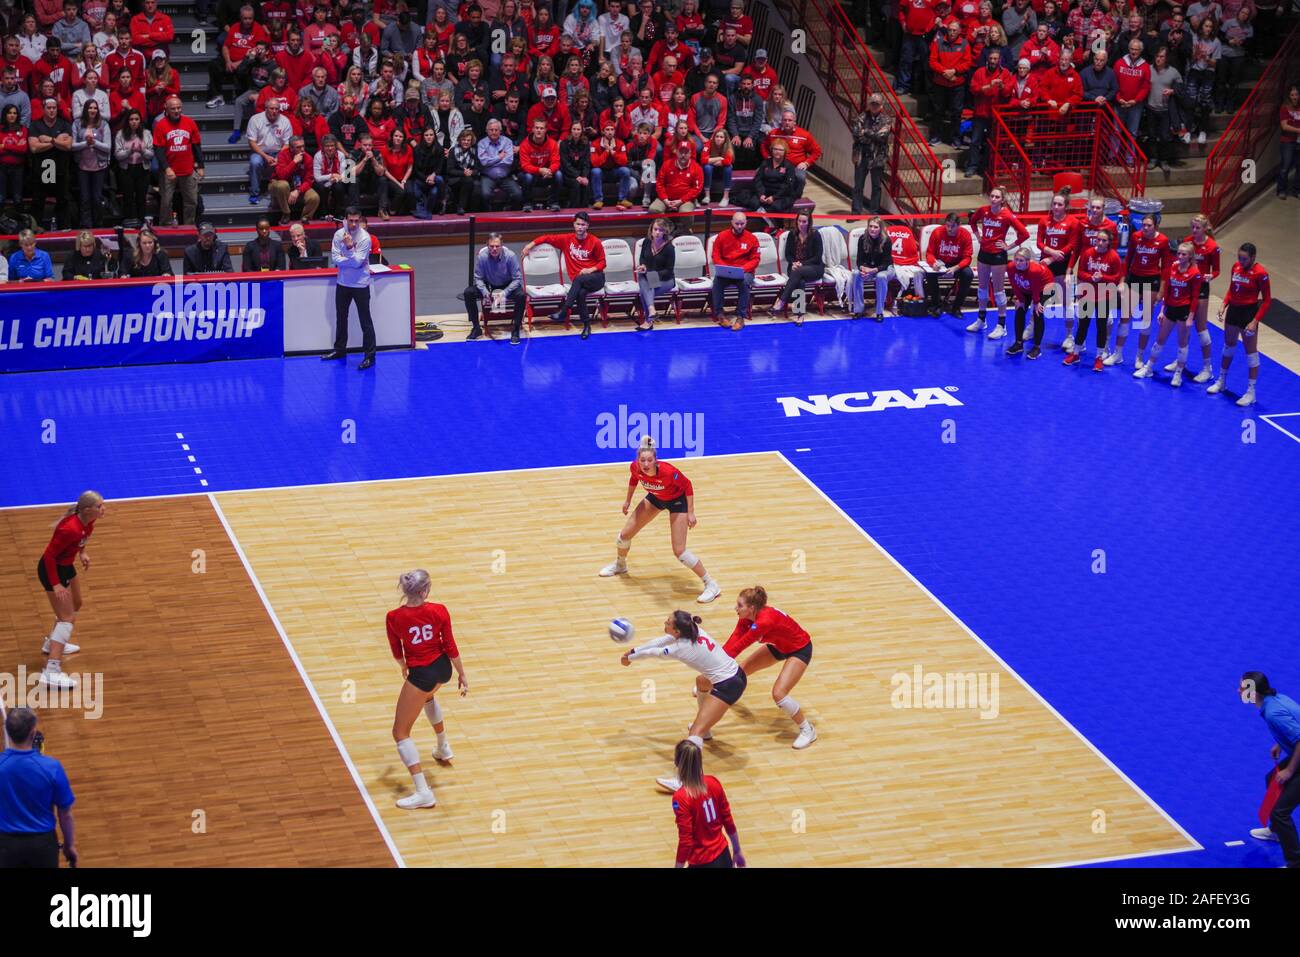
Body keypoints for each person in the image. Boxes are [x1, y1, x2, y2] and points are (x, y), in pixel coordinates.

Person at [621, 610, 747, 784]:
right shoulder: (694, 629)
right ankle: (707, 729)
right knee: (701, 682)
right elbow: (661, 641)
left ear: (677, 631)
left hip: (728, 684)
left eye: (668, 622)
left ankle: (683, 779)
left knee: (695, 732)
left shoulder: (681, 649)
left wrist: (630, 658)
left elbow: (654, 653)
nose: (664, 623)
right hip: (737, 674)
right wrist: (634, 650)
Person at [597, 434, 720, 602]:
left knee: (680, 551)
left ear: (656, 460)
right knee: (623, 536)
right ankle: (620, 565)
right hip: (656, 498)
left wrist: (691, 512)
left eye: (649, 460)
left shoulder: (669, 472)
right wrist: (627, 501)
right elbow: (634, 479)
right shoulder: (635, 468)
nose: (646, 464)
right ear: (638, 460)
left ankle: (711, 585)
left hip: (678, 501)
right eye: (643, 461)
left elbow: (688, 485)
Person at [386, 569, 468, 810]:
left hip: (421, 674)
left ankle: (423, 792)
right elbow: (449, 644)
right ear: (425, 591)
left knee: (400, 733)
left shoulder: (394, 617)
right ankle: (443, 747)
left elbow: (396, 650)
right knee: (428, 697)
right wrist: (462, 673)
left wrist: (404, 667)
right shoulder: (439, 610)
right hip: (443, 668)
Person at [721, 586, 817, 749]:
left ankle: (807, 730)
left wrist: (715, 667)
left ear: (751, 608)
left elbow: (741, 645)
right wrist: (716, 663)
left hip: (799, 649)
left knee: (778, 693)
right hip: (779, 646)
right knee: (740, 672)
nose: (735, 608)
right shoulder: (747, 617)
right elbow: (734, 641)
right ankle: (724, 694)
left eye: (739, 605)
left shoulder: (764, 621)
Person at [36, 490, 105, 690]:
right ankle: (52, 670)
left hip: (66, 566)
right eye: (99, 506)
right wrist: (56, 584)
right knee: (67, 618)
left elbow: (82, 539)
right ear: (86, 509)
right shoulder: (70, 529)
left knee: (76, 604)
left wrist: (82, 552)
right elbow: (49, 556)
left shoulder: (87, 522)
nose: (103, 509)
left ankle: (53, 643)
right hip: (52, 570)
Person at [0, 708, 77, 867]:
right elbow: (66, 814)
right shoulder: (52, 768)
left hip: (6, 845)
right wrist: (69, 846)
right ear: (33, 732)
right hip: (43, 846)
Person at [1239, 671, 1300, 867]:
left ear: (1253, 692)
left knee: (1280, 812)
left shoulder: (1273, 713)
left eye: (1242, 687)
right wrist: (1280, 744)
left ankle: (1295, 862)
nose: (1238, 690)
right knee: (1272, 779)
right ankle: (1276, 832)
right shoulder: (1276, 699)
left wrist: (1290, 770)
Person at [523, 212, 606, 339]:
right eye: (578, 224)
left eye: (583, 225)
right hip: (580, 282)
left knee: (578, 279)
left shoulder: (595, 242)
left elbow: (602, 262)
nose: (580, 227)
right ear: (574, 225)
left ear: (587, 226)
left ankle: (564, 311)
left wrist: (590, 269)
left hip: (596, 278)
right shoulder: (566, 239)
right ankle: (586, 326)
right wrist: (530, 245)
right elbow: (546, 238)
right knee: (580, 293)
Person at [1207, 242, 1271, 407]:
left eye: (1244, 259)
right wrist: (1223, 304)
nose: (1241, 261)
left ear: (1253, 257)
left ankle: (1251, 392)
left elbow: (1267, 301)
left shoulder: (1261, 274)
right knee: (1228, 346)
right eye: (1239, 257)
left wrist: (1254, 321)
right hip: (1233, 311)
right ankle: (1222, 381)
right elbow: (1231, 289)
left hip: (1248, 314)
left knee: (1251, 354)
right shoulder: (1235, 267)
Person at [1134, 241, 1202, 386]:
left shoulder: (1195, 273)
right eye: (1179, 253)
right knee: (1160, 339)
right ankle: (1149, 368)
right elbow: (1168, 290)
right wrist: (1162, 310)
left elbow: (1195, 297)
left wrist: (1190, 317)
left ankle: (1178, 374)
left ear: (1190, 256)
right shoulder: (1173, 267)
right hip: (1170, 308)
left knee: (1182, 343)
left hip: (1184, 310)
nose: (1180, 256)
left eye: (1184, 254)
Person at [966, 186, 1028, 338]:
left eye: (997, 197)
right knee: (982, 288)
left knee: (999, 290)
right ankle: (981, 320)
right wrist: (978, 237)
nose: (993, 199)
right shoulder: (983, 210)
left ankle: (1001, 325)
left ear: (1003, 200)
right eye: (992, 196)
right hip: (984, 254)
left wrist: (1009, 246)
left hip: (998, 256)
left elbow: (1024, 233)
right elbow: (972, 222)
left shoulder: (1007, 215)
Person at [1110, 213, 1171, 368]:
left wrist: (1162, 290)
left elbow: (1165, 267)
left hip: (1152, 280)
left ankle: (1139, 357)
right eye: (1143, 225)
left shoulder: (1163, 241)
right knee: (1125, 317)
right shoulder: (1136, 236)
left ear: (1155, 226)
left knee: (1145, 320)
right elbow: (1128, 259)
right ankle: (1117, 353)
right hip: (1134, 277)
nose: (1145, 228)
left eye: (1149, 225)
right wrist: (1123, 281)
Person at [324, 206, 376, 369]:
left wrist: (348, 248)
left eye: (356, 221)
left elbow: (357, 262)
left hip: (361, 284)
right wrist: (350, 261)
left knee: (365, 321)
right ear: (345, 220)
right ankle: (340, 350)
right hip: (343, 283)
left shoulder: (365, 238)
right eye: (351, 221)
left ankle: (369, 355)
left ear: (360, 220)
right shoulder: (338, 234)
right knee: (341, 318)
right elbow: (334, 259)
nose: (353, 224)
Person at [1067, 229, 1123, 370]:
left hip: (1104, 296)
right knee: (1083, 324)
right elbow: (1080, 272)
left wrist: (1102, 278)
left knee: (1101, 326)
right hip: (1088, 294)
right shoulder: (1088, 253)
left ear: (1109, 242)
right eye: (1098, 239)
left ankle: (1098, 356)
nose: (1100, 242)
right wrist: (1091, 278)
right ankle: (1076, 353)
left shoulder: (1114, 257)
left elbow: (1117, 277)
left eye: (1104, 240)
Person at [466, 232, 526, 344]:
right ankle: (476, 328)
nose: (494, 249)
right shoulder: (482, 257)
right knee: (468, 293)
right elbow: (478, 278)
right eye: (491, 246)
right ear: (487, 246)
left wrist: (505, 293)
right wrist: (485, 292)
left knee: (521, 296)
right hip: (489, 286)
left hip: (507, 286)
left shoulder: (510, 256)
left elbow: (517, 279)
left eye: (497, 246)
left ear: (502, 245)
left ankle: (516, 329)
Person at [154, 95, 204, 225]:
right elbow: (158, 150)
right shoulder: (161, 125)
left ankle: (189, 226)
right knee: (166, 202)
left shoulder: (190, 123)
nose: (176, 111)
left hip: (187, 169)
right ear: (166, 108)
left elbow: (196, 146)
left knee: (192, 201)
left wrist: (201, 166)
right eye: (173, 108)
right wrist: (166, 168)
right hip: (169, 170)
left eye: (179, 108)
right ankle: (165, 228)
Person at [771, 210, 823, 325]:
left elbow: (817, 257)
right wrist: (794, 263)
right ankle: (799, 314)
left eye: (804, 221)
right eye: (799, 221)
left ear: (809, 222)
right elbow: (788, 254)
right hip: (795, 268)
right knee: (800, 281)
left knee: (799, 274)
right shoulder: (792, 234)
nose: (801, 224)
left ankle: (782, 300)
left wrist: (802, 264)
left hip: (814, 267)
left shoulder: (815, 235)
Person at [710, 210, 759, 331]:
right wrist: (724, 268)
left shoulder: (752, 239)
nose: (739, 226)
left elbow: (755, 259)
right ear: (732, 222)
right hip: (726, 271)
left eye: (742, 224)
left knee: (745, 283)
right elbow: (715, 256)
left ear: (746, 223)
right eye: (737, 223)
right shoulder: (721, 236)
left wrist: (743, 269)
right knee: (717, 282)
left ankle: (741, 315)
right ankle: (720, 314)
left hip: (745, 272)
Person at [1003, 246, 1054, 358]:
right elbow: (1014, 284)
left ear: (1028, 261)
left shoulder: (1034, 270)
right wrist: (1020, 300)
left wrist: (1036, 303)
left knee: (1037, 313)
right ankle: (1018, 343)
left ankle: (1037, 347)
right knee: (1020, 310)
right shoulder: (1011, 267)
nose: (1017, 263)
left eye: (1021, 260)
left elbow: (1036, 288)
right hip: (1028, 287)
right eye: (1016, 259)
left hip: (1045, 287)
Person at [923, 212, 974, 317]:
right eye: (947, 225)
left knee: (968, 274)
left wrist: (956, 267)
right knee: (930, 274)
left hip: (957, 263)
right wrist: (933, 263)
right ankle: (936, 305)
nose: (949, 229)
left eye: (953, 226)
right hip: (940, 262)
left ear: (959, 225)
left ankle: (956, 307)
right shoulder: (937, 232)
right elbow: (929, 253)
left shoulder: (965, 234)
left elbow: (968, 257)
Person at [850, 93, 891, 214]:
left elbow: (882, 137)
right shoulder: (861, 117)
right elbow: (856, 135)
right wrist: (873, 135)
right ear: (869, 104)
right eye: (872, 103)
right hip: (861, 155)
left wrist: (866, 132)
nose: (874, 106)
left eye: (877, 104)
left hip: (878, 157)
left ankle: (874, 213)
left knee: (876, 186)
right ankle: (856, 212)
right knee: (858, 186)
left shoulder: (886, 119)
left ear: (881, 106)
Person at [635, 217, 675, 330]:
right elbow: (642, 259)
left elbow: (669, 271)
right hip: (649, 277)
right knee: (642, 276)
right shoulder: (646, 242)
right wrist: (642, 266)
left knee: (644, 292)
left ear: (665, 232)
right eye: (655, 229)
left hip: (666, 280)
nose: (657, 232)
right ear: (651, 230)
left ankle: (649, 320)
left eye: (661, 230)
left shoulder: (669, 248)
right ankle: (651, 312)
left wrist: (651, 273)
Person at [850, 216, 893, 321]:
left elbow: (886, 263)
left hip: (885, 269)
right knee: (856, 274)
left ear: (880, 228)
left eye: (876, 227)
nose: (872, 229)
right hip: (869, 268)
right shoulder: (862, 239)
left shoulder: (886, 240)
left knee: (881, 277)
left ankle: (879, 312)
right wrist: (862, 268)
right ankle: (858, 310)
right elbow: (859, 260)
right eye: (870, 226)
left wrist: (873, 270)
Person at [518, 117, 562, 212]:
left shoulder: (553, 144)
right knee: (527, 177)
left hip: (546, 174)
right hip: (530, 175)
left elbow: (556, 162)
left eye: (541, 128)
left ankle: (553, 203)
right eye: (537, 128)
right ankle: (527, 203)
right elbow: (525, 166)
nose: (539, 130)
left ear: (546, 130)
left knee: (558, 174)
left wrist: (550, 170)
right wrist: (539, 170)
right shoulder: (524, 144)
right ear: (533, 129)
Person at [1278, 84, 1300, 200]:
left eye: (1296, 94)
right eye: (1292, 95)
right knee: (1285, 166)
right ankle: (1281, 190)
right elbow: (1284, 126)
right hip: (1288, 141)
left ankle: (1297, 190)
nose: (1295, 97)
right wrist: (1298, 130)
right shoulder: (1284, 108)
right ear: (1289, 96)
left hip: (1299, 141)